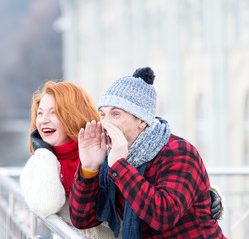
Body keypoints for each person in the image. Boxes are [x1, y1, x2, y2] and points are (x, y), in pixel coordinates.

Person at [69, 67, 226, 238]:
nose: (105, 123)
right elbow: (82, 219)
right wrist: (89, 168)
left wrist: (120, 168)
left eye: (115, 114)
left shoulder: (178, 152)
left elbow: (163, 216)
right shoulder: (112, 157)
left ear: (142, 121)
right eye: (103, 114)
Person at [20, 81, 115, 238]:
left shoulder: (104, 152)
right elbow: (46, 205)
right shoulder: (38, 164)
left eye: (53, 112)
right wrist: (44, 153)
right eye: (40, 113)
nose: (43, 120)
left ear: (74, 115)